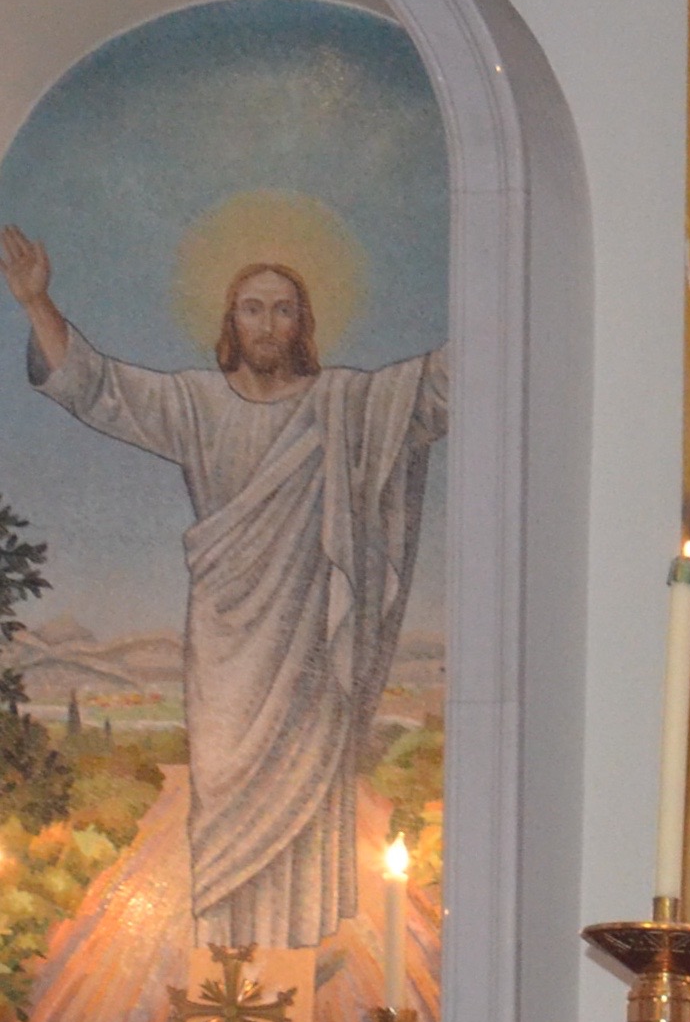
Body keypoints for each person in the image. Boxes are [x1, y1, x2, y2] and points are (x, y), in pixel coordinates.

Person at [2, 226, 442, 954]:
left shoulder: (346, 404)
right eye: (252, 308)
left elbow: (434, 389)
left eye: (282, 309)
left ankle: (293, 962)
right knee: (225, 789)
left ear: (302, 323)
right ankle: (226, 961)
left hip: (310, 640)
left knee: (306, 785)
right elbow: (98, 387)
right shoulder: (197, 403)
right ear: (230, 321)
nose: (267, 324)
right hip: (226, 641)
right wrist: (36, 303)